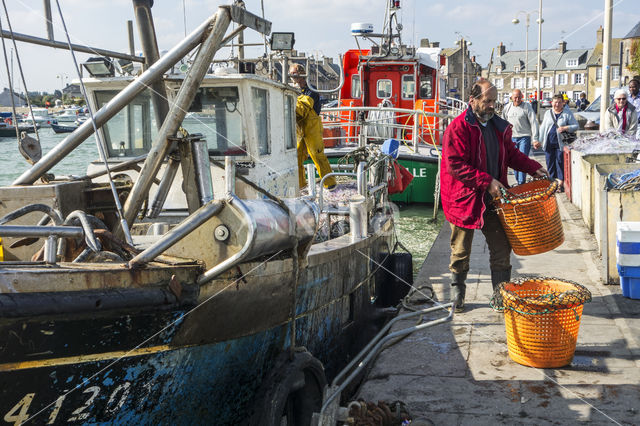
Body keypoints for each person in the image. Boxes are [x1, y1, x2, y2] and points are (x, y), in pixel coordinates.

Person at [440, 79, 547, 312]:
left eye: (494, 101)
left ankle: (501, 298)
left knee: (502, 247)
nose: (491, 106)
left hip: (494, 199)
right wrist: (486, 181)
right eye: (487, 101)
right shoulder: (457, 128)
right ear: (473, 101)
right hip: (463, 199)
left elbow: (511, 154)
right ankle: (457, 295)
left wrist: (532, 167)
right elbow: (454, 165)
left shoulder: (499, 126)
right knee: (460, 251)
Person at [289, 63, 336, 190]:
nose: (292, 78)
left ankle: (330, 184)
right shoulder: (294, 91)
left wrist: (288, 102)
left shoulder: (311, 90)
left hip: (312, 128)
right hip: (300, 128)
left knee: (317, 155)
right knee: (297, 157)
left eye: (294, 75)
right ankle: (301, 186)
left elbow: (302, 109)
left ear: (301, 75)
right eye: (291, 75)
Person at [536, 94, 578, 190]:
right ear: (552, 103)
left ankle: (560, 184)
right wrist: (538, 140)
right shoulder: (548, 113)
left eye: (559, 102)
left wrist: (566, 128)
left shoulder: (567, 113)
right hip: (549, 143)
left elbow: (576, 126)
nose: (557, 104)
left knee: (560, 163)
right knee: (550, 163)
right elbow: (543, 128)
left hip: (561, 143)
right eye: (555, 102)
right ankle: (552, 183)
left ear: (563, 103)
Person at [502, 89, 540, 185]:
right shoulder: (507, 108)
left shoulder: (527, 107)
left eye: (519, 97)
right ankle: (518, 181)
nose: (517, 99)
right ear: (511, 98)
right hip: (512, 138)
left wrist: (535, 139)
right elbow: (502, 123)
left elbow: (533, 122)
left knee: (522, 160)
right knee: (514, 161)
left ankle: (521, 183)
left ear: (522, 97)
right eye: (515, 97)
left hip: (524, 137)